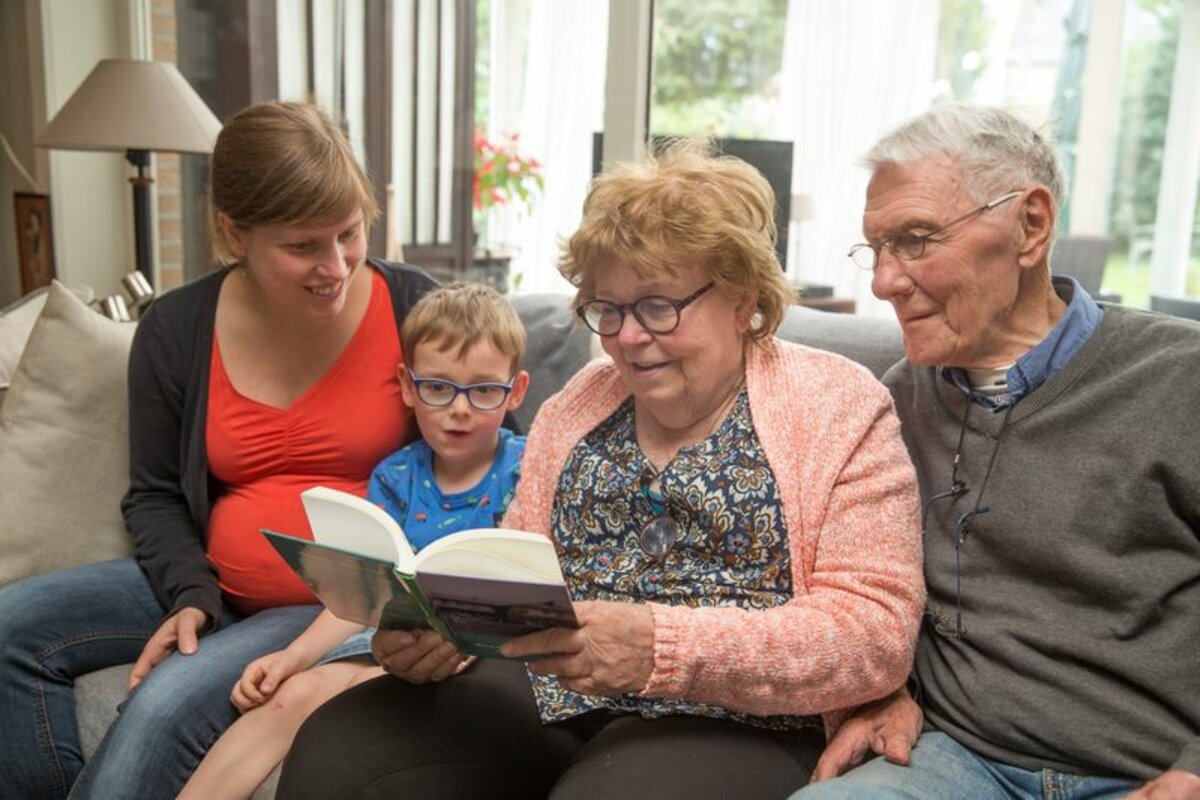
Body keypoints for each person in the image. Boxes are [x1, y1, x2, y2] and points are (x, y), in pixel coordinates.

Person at [276, 140, 926, 800]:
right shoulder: (579, 403)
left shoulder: (838, 405)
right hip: (553, 690)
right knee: (340, 743)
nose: (627, 337)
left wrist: (658, 648)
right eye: (608, 309)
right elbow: (511, 572)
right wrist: (444, 636)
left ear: (742, 298)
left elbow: (875, 633)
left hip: (737, 718)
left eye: (657, 306)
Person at [0, 100, 437, 799]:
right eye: (303, 247)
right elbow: (155, 494)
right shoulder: (177, 327)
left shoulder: (417, 309)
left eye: (349, 234)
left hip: (333, 604)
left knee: (158, 711)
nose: (335, 266)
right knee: (10, 627)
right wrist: (190, 596)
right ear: (236, 232)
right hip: (210, 581)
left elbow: (493, 457)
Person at [793, 104, 1200, 800]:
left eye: (916, 239)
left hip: (1151, 771)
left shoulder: (1179, 379)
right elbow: (867, 591)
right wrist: (887, 693)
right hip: (956, 760)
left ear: (1030, 226)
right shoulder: (898, 398)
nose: (884, 281)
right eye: (876, 248)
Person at [180, 281, 530, 799]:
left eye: (483, 390)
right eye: (438, 388)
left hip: (471, 656)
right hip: (379, 638)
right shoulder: (395, 476)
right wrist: (292, 657)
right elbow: (360, 595)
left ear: (515, 391)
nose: (460, 408)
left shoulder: (527, 467)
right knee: (290, 696)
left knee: (359, 697)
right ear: (407, 386)